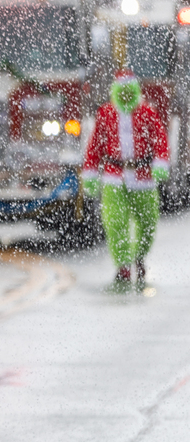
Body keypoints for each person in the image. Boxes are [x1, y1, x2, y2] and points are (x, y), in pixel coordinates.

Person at [82, 70, 169, 288]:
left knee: (148, 222)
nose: (126, 97)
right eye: (122, 93)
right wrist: (91, 173)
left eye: (130, 93)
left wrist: (160, 162)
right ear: (115, 92)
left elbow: (160, 139)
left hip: (143, 177)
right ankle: (122, 264)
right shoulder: (106, 113)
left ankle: (139, 257)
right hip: (114, 177)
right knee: (115, 222)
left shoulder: (148, 113)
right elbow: (94, 146)